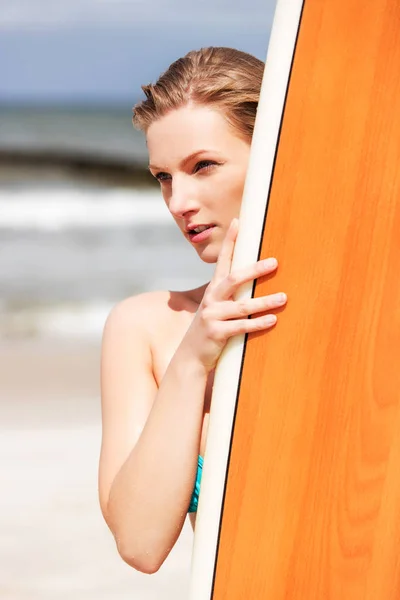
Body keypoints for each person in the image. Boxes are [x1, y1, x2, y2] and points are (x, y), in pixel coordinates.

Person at [98, 46, 287, 575]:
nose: (178, 201)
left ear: (277, 153)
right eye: (163, 177)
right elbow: (140, 543)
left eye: (203, 166)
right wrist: (190, 361)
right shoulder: (145, 326)